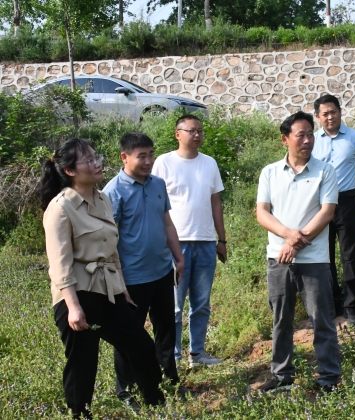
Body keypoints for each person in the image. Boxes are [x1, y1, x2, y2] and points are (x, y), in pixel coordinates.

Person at [39, 138, 165, 419]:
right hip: (78, 294)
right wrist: (73, 307)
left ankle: (156, 404)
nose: (97, 164)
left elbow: (112, 250)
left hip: (108, 289)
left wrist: (122, 288)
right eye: (89, 161)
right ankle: (80, 414)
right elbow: (59, 265)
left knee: (141, 345)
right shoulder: (60, 207)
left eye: (97, 157)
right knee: (83, 361)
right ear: (70, 171)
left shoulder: (102, 198)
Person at [256, 111, 342, 393]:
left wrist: (293, 243)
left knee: (322, 320)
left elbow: (326, 213)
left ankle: (329, 377)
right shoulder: (270, 172)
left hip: (314, 260)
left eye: (310, 134)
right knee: (281, 319)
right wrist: (286, 235)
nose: (307, 140)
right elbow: (262, 213)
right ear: (285, 139)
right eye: (300, 135)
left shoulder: (325, 171)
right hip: (278, 259)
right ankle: (282, 375)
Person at [103, 132, 186, 404]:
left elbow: (167, 222)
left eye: (151, 154)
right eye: (142, 156)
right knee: (130, 336)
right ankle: (126, 389)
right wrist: (118, 279)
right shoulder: (113, 191)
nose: (149, 161)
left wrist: (178, 257)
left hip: (161, 271)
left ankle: (168, 380)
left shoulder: (158, 183)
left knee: (166, 330)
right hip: (131, 279)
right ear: (124, 157)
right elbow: (109, 239)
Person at [152, 114, 227, 367]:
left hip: (205, 241)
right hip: (175, 243)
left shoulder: (209, 163)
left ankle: (198, 354)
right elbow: (156, 202)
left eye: (200, 131)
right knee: (174, 305)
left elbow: (215, 203)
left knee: (201, 303)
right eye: (191, 131)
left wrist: (222, 239)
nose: (197, 135)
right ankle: (172, 357)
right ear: (178, 134)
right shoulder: (164, 163)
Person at [312, 94, 355, 325]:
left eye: (333, 112)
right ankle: (333, 302)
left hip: (347, 202)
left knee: (350, 255)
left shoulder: (354, 137)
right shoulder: (313, 140)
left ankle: (351, 306)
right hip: (321, 204)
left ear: (340, 112)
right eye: (325, 114)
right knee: (325, 255)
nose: (330, 117)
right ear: (318, 117)